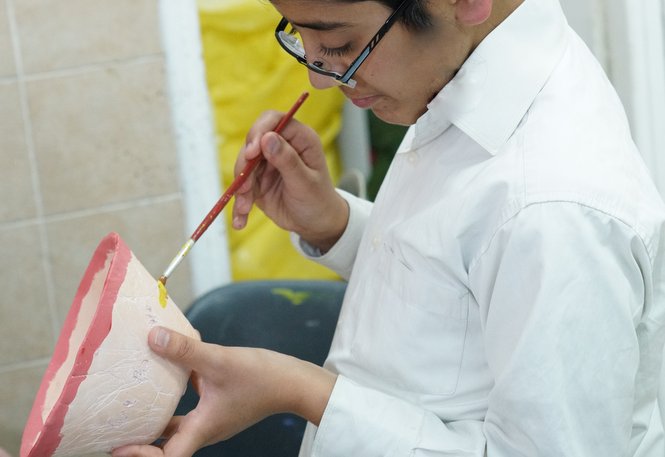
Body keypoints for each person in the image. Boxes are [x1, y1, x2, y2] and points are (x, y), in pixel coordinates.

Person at [113, 0, 665, 455]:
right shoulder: (466, 69)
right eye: (300, 36)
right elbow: (465, 278)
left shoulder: (554, 208)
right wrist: (333, 222)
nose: (317, 79)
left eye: (340, 46)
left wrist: (300, 390)